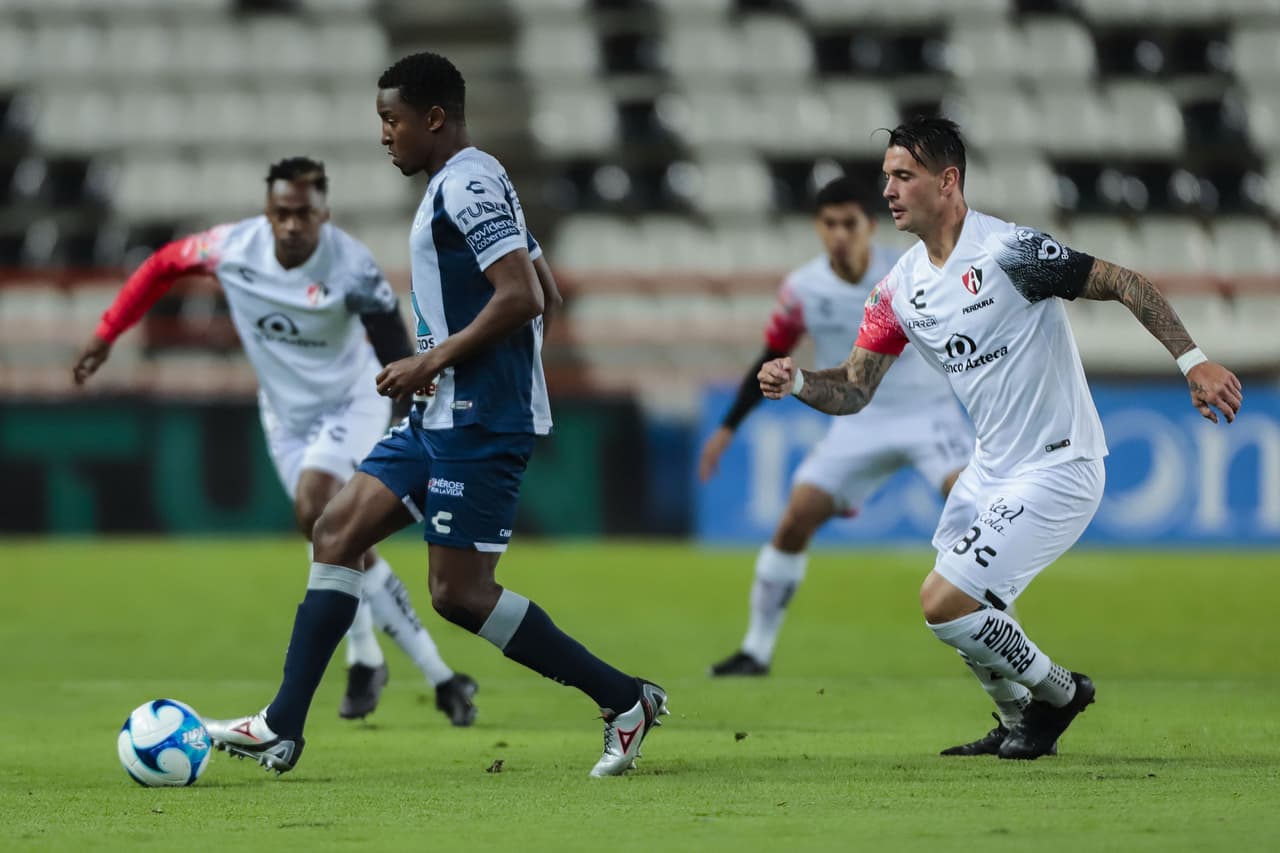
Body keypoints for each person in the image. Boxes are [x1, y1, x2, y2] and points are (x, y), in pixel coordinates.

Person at [202, 52, 667, 778]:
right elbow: (543, 280)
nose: (385, 135)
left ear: (434, 117)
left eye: (392, 120)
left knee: (459, 594)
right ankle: (281, 725)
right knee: (336, 527)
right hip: (442, 413)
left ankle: (623, 699)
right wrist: (444, 363)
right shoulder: (476, 177)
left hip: (479, 419)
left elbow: (525, 296)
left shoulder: (469, 182)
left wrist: (432, 358)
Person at [757, 116, 1242, 759]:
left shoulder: (1010, 252)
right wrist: (795, 384)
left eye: (904, 176)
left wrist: (1194, 361)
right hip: (989, 471)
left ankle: (1061, 694)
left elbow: (1125, 282)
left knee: (945, 600)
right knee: (963, 614)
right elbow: (854, 388)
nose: (890, 191)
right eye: (887, 178)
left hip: (1058, 465)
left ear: (948, 181)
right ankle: (1020, 722)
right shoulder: (898, 289)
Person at [71, 157, 478, 728]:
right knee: (335, 538)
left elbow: (392, 342)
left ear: (323, 214)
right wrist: (108, 332)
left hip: (352, 400)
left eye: (303, 215)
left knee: (319, 509)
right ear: (268, 212)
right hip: (285, 416)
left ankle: (373, 661)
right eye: (281, 213)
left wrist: (411, 410)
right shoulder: (232, 248)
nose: (291, 226)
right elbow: (162, 265)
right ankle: (430, 675)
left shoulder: (351, 266)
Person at [701, 176, 971, 678]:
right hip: (856, 420)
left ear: (870, 227)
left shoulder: (909, 270)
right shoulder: (803, 289)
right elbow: (771, 355)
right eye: (830, 224)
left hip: (928, 413)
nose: (840, 234)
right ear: (817, 228)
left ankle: (1004, 647)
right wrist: (728, 427)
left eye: (850, 223)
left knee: (974, 511)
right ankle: (756, 650)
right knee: (795, 519)